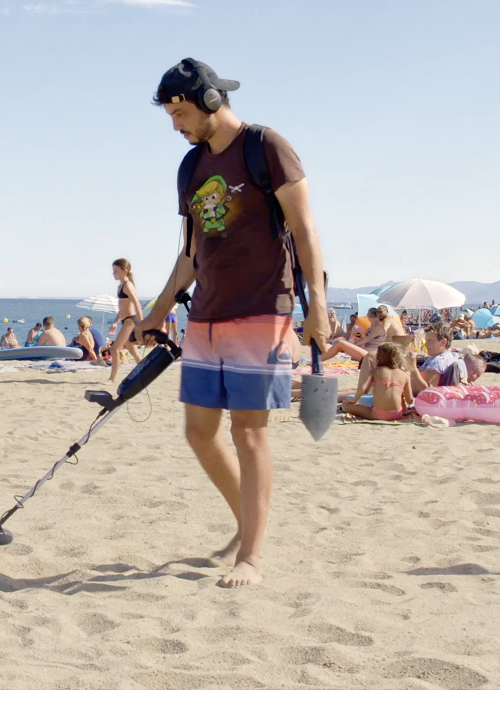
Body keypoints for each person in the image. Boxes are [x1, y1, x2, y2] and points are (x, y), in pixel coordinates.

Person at [136, 57, 329, 589]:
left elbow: (305, 229)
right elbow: (191, 252)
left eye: (180, 113)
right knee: (199, 432)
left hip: (264, 309)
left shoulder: (266, 148)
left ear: (211, 102)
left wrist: (319, 306)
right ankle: (248, 524)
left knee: (248, 432)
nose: (176, 126)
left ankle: (251, 556)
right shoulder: (191, 167)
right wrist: (156, 309)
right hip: (207, 313)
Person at [342, 341, 413, 421]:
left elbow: (363, 388)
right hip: (397, 414)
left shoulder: (376, 371)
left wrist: (354, 400)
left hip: (378, 414)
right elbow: (409, 400)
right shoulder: (404, 375)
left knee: (345, 405)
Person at [106, 258, 143, 383]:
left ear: (124, 271)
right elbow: (122, 308)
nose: (113, 273)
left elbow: (137, 303)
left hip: (131, 320)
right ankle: (144, 373)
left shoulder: (128, 285)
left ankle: (112, 379)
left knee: (115, 349)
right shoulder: (120, 286)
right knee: (132, 349)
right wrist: (116, 322)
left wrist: (142, 323)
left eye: (116, 271)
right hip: (126, 319)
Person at [414, 324, 465, 392]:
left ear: (443, 342)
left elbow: (429, 390)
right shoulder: (443, 357)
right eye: (426, 341)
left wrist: (412, 369)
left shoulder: (439, 362)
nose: (426, 344)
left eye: (430, 341)